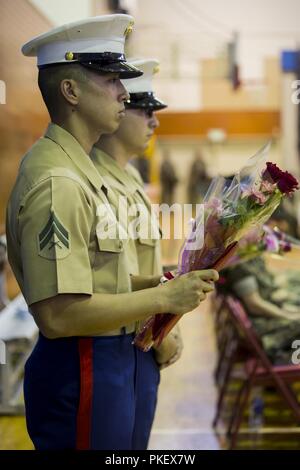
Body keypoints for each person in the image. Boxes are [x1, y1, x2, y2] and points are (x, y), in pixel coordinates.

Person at [6, 17, 218, 450]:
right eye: (110, 78)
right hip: (84, 361)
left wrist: (163, 292)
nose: (124, 91)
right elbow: (59, 315)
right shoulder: (58, 181)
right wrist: (163, 299)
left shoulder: (80, 172)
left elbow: (104, 276)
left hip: (108, 356)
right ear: (71, 92)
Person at [91, 59, 183, 448]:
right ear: (120, 108)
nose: (154, 121)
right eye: (145, 108)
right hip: (118, 344)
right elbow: (116, 281)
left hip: (140, 342)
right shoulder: (96, 183)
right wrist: (161, 335)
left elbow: (144, 267)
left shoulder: (129, 176)